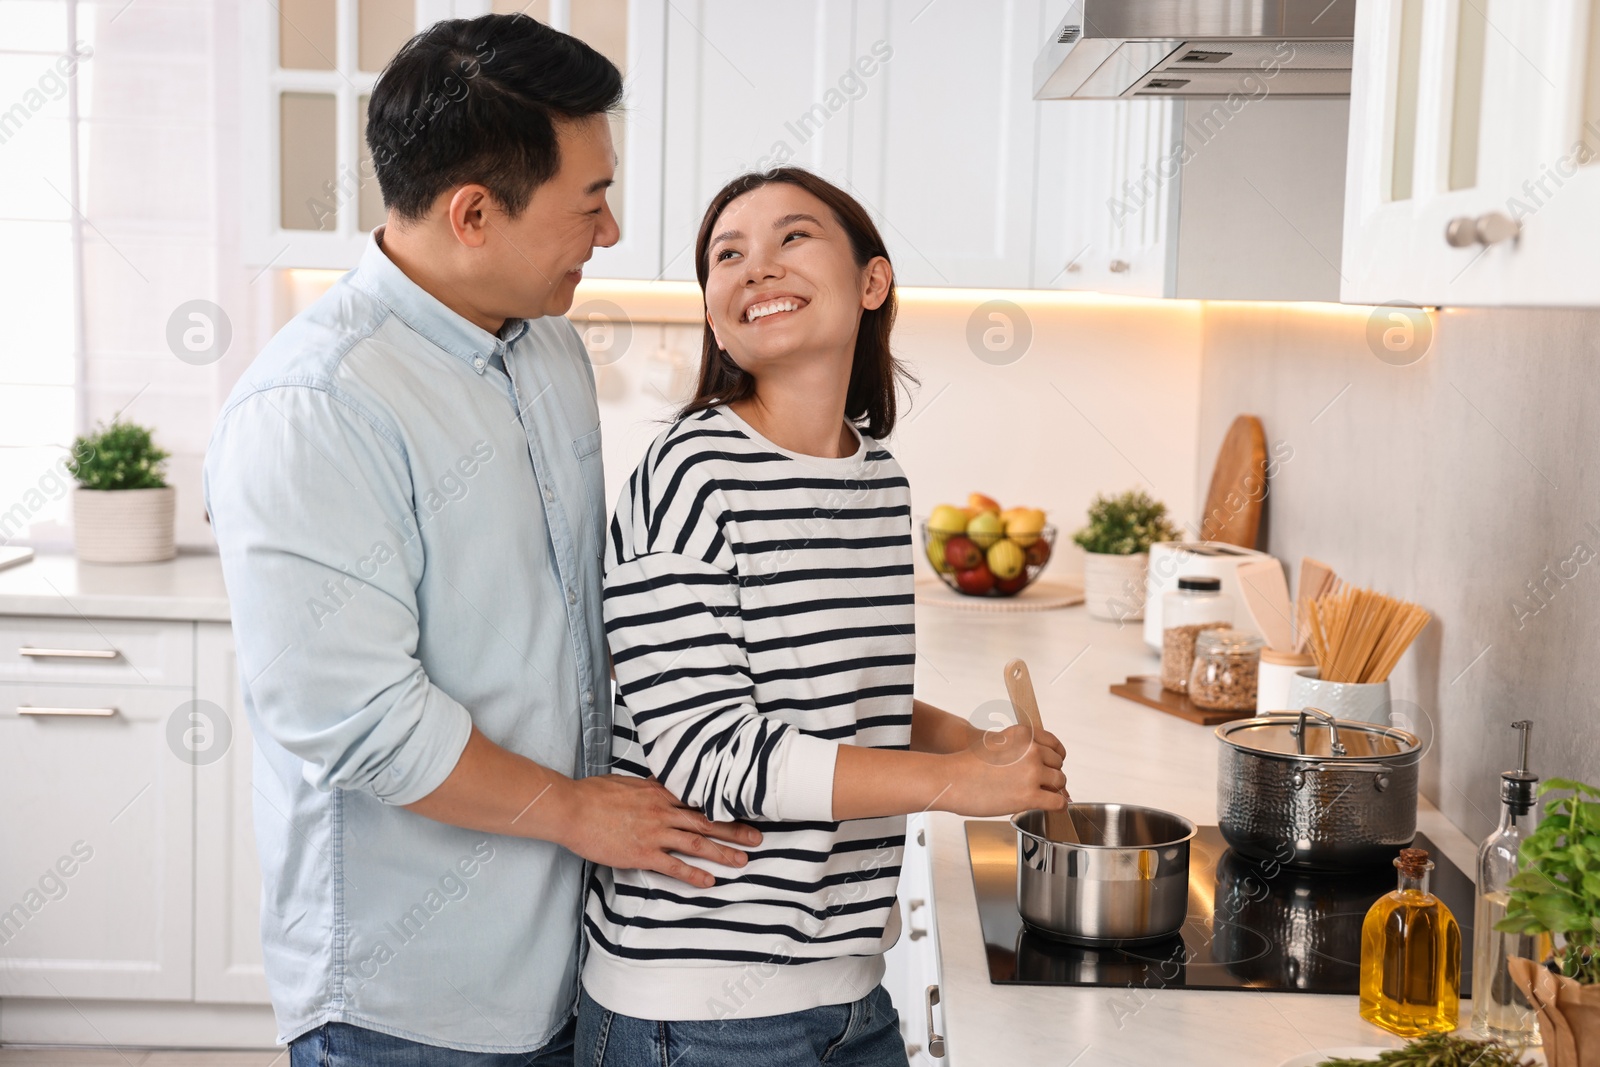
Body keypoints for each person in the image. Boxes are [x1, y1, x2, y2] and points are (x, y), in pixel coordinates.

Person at [204, 15, 757, 1065]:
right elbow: (359, 718)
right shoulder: (314, 405)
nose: (608, 231)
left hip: (561, 959)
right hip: (409, 997)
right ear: (472, 213)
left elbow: (574, 612)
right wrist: (580, 812)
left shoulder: (548, 350)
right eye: (589, 201)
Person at [577, 168, 1067, 1066]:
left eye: (791, 238)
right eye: (728, 255)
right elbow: (707, 751)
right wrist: (954, 785)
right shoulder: (688, 473)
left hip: (846, 992)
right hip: (694, 1013)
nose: (755, 267)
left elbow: (831, 696)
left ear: (872, 282)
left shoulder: (880, 484)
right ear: (716, 312)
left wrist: (965, 740)